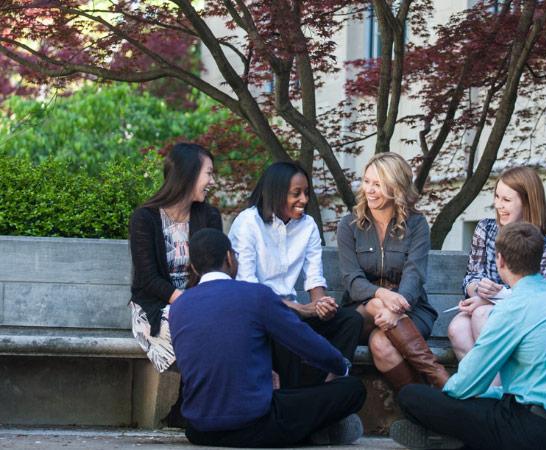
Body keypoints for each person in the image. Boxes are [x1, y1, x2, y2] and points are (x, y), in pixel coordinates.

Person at [390, 222, 546, 450]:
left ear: (499, 260)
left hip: (533, 430)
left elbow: (468, 383)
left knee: (412, 396)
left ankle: (445, 436)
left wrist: (447, 402)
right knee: (488, 410)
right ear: (538, 258)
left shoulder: (513, 307)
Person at [170, 228, 366, 448]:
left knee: (284, 402)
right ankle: (314, 429)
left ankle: (308, 429)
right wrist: (341, 367)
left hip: (199, 429)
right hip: (254, 423)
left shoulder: (178, 308)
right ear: (229, 257)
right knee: (353, 390)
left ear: (194, 267)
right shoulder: (256, 295)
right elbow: (306, 343)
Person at [228, 161, 362, 388]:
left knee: (351, 320)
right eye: (296, 193)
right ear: (276, 192)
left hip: (293, 314)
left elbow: (314, 277)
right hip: (260, 316)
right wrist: (300, 309)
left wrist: (321, 305)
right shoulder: (248, 223)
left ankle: (330, 389)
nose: (304, 200)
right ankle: (304, 397)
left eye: (306, 193)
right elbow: (249, 291)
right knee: (287, 330)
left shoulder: (308, 225)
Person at [337, 152, 448, 390]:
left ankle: (422, 406)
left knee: (381, 344)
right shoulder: (349, 225)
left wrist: (398, 307)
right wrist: (383, 296)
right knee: (377, 304)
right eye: (367, 181)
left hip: (411, 310)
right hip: (359, 313)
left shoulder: (416, 224)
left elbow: (414, 275)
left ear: (396, 187)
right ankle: (438, 377)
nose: (370, 190)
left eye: (378, 184)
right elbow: (352, 280)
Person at [448, 166, 546, 366]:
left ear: (528, 201)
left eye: (506, 200)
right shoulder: (486, 229)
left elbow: (539, 291)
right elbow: (471, 276)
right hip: (484, 303)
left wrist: (492, 298)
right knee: (457, 329)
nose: (498, 205)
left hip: (528, 314)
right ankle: (490, 392)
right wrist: (479, 289)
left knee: (482, 315)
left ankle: (500, 391)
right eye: (497, 197)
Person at [128, 142, 221, 374]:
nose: (213, 182)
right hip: (155, 309)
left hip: (201, 307)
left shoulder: (209, 216)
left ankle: (185, 407)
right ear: (188, 174)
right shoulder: (145, 218)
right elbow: (148, 279)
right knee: (200, 338)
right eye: (208, 173)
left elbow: (214, 271)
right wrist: (189, 304)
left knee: (225, 334)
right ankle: (188, 406)